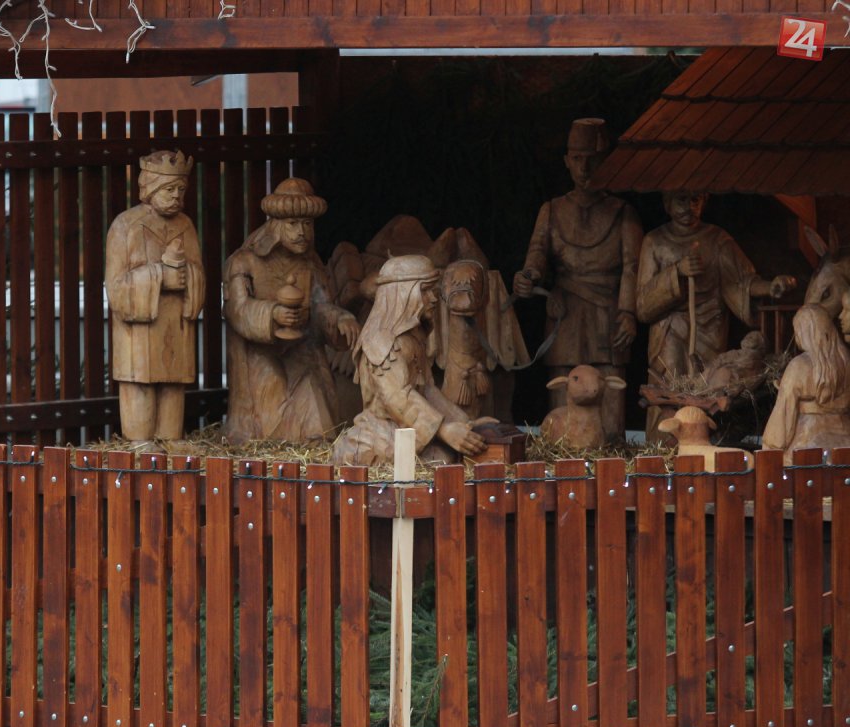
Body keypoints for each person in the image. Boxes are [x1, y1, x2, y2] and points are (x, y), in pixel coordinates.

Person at [514, 118, 643, 441]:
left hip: (608, 312)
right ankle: (564, 447)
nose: (585, 168)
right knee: (564, 382)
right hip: (566, 312)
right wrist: (527, 276)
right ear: (567, 161)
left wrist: (628, 312)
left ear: (606, 162)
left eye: (593, 159)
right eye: (577, 159)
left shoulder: (623, 212)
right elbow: (537, 255)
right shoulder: (552, 210)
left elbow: (632, 267)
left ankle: (610, 447)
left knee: (608, 383)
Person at [637, 190, 795, 437]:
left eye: (695, 199)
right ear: (667, 203)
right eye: (681, 199)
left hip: (709, 329)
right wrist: (676, 272)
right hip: (669, 333)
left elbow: (740, 282)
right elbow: (643, 306)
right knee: (668, 391)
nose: (689, 206)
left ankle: (706, 442)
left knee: (711, 389)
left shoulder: (717, 240)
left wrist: (769, 287)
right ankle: (664, 446)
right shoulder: (654, 242)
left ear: (705, 201)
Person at [223, 177, 359, 443]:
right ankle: (269, 446)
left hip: (300, 350)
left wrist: (340, 319)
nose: (301, 232)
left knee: (313, 387)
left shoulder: (310, 263)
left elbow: (321, 306)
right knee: (271, 385)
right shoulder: (244, 262)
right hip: (259, 352)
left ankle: (314, 447)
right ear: (276, 225)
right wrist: (272, 314)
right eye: (293, 224)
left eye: (307, 224)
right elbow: (237, 311)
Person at [332, 254, 488, 466]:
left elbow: (427, 389)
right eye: (425, 291)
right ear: (403, 294)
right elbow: (398, 397)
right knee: (440, 461)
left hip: (412, 428)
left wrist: (464, 423)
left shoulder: (413, 336)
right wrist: (443, 430)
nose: (434, 298)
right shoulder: (381, 341)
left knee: (449, 457)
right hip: (384, 431)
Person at [105, 150, 205, 445]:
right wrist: (160, 276)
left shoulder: (186, 226)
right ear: (149, 188)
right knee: (140, 384)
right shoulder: (125, 226)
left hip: (175, 327)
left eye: (181, 190)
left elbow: (198, 272)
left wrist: (189, 277)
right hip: (139, 332)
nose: (176, 196)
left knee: (173, 385)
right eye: (169, 189)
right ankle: (139, 443)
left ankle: (170, 440)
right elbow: (116, 287)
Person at [762, 305, 850, 462]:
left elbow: (783, 417)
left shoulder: (799, 366)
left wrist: (770, 446)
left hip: (806, 447)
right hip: (844, 445)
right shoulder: (846, 362)